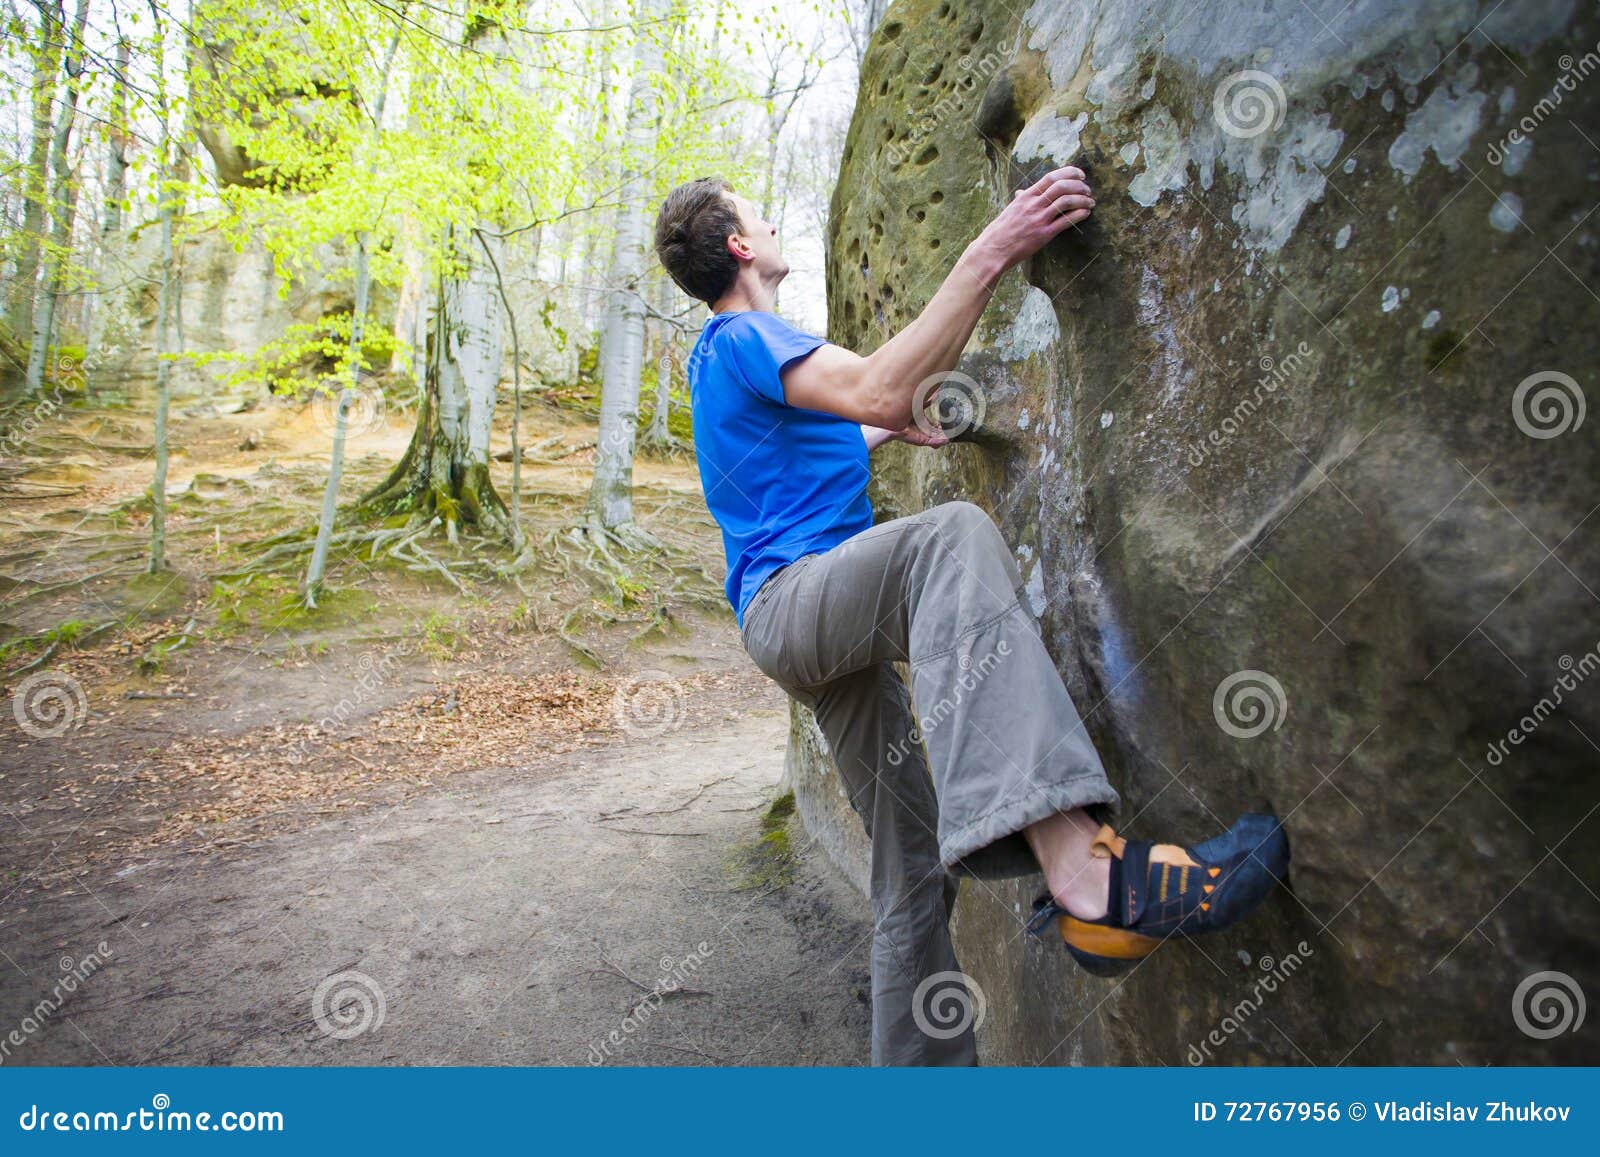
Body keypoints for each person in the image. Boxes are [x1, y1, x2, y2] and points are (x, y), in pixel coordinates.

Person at [651, 172, 1289, 1065]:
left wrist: (882, 427)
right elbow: (876, 383)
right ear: (743, 248)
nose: (769, 217)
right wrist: (998, 244)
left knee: (910, 875)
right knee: (948, 540)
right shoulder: (745, 335)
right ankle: (1085, 873)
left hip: (802, 629)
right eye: (757, 213)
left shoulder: (730, 358)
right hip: (800, 602)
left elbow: (838, 425)